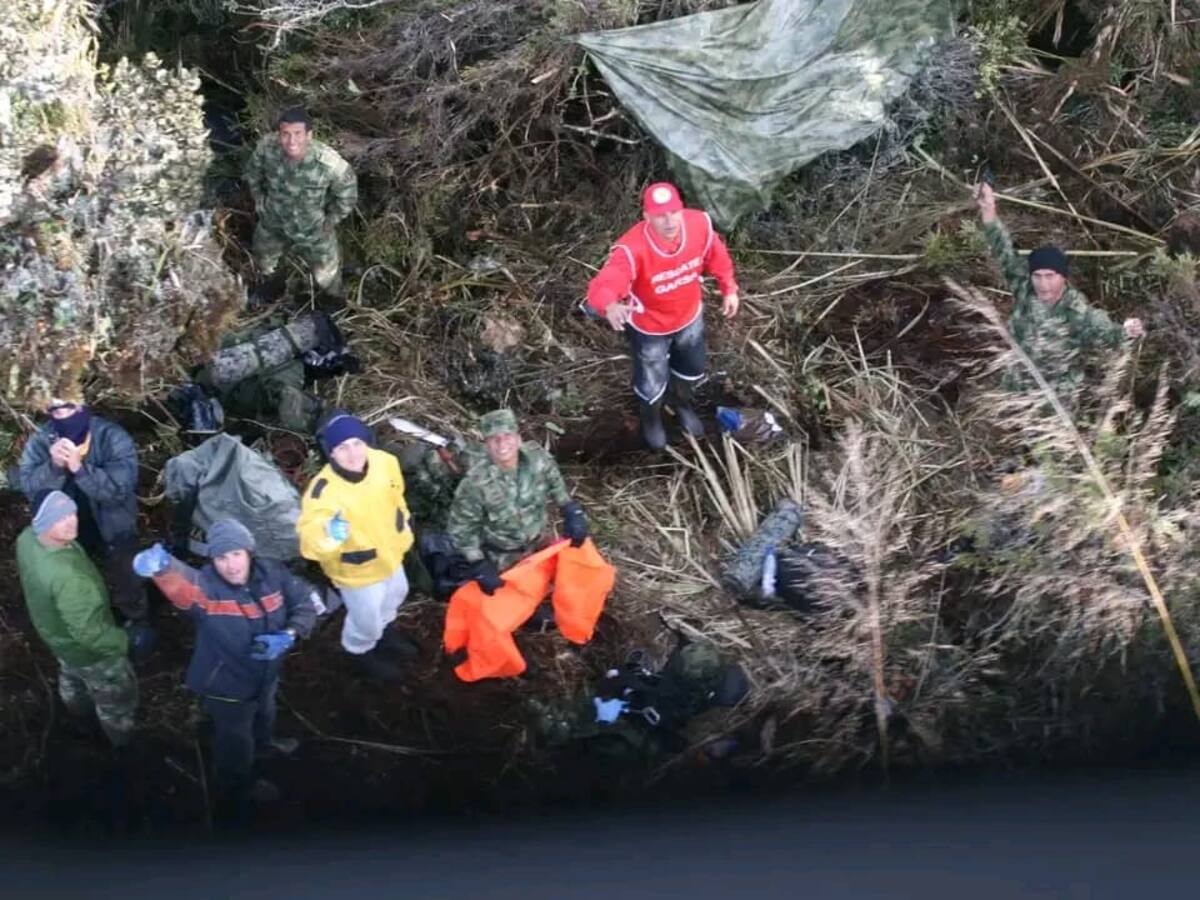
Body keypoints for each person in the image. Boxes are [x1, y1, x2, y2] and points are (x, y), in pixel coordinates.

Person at [131, 519, 317, 826]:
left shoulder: (274, 573)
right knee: (235, 740)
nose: (230, 566)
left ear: (248, 552)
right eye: (221, 558)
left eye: (235, 555)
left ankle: (266, 744)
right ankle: (236, 787)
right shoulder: (207, 588)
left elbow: (304, 604)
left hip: (266, 673)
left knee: (265, 712)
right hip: (226, 683)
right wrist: (164, 568)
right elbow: (184, 586)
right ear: (212, 560)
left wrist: (290, 635)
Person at [586, 182, 740, 449]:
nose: (669, 221)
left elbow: (718, 256)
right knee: (651, 378)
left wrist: (729, 288)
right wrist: (609, 306)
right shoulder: (631, 249)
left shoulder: (699, 225)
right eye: (660, 215)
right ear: (646, 217)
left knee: (692, 369)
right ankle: (651, 419)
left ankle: (680, 403)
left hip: (689, 318)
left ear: (682, 209)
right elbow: (605, 283)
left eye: (673, 212)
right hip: (650, 328)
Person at [975, 182, 1144, 389]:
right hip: (1014, 385)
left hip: (1053, 399)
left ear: (1063, 277)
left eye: (1050, 276)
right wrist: (989, 209)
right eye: (1037, 275)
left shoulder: (1080, 313)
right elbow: (1002, 250)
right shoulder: (1024, 287)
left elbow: (1111, 336)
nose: (1043, 284)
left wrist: (1128, 330)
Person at [18, 399, 153, 647]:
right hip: (68, 531)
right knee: (83, 581)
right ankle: (95, 627)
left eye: (68, 408)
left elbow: (117, 492)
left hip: (114, 526)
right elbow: (30, 489)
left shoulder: (111, 436)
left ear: (82, 405)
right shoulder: (42, 440)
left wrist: (80, 469)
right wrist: (54, 467)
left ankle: (136, 623)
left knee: (126, 577)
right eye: (55, 411)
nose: (62, 416)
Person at [297, 411, 416, 681]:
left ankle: (385, 631)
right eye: (342, 447)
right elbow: (309, 539)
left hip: (390, 553)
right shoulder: (323, 491)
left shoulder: (384, 462)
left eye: (357, 443)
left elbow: (397, 495)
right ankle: (359, 650)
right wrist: (328, 532)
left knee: (397, 592)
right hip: (358, 570)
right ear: (331, 453)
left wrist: (403, 523)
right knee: (366, 618)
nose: (352, 454)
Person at [15, 491, 139, 751]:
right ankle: (123, 745)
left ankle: (80, 722)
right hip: (91, 653)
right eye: (60, 518)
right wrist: (125, 640)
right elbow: (91, 636)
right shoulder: (70, 578)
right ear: (44, 522)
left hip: (58, 637)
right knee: (115, 700)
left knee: (71, 676)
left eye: (72, 513)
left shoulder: (27, 540)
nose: (72, 521)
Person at [446, 409, 588, 593]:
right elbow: (461, 530)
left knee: (572, 585)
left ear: (518, 438)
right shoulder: (475, 484)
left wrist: (572, 512)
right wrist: (478, 564)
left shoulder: (539, 460)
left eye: (507, 435)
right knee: (517, 608)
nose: (501, 443)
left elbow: (557, 487)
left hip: (540, 546)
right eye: (493, 438)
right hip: (502, 559)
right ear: (487, 445)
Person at [244, 106, 358, 300]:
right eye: (285, 134)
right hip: (274, 220)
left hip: (312, 228)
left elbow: (348, 194)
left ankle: (333, 303)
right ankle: (272, 290)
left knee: (327, 274)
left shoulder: (328, 163)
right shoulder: (267, 148)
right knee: (263, 259)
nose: (291, 141)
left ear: (309, 135)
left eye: (297, 134)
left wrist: (330, 221)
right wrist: (259, 200)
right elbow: (253, 173)